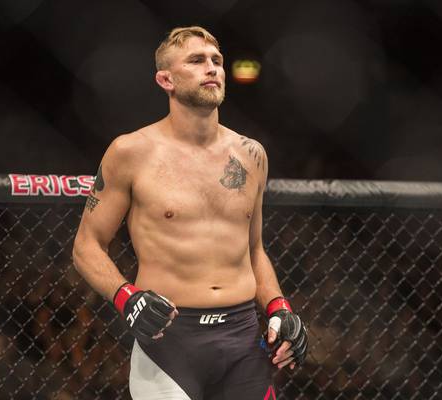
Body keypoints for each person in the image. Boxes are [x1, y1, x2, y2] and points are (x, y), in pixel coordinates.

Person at [72, 26, 308, 400]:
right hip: (169, 340)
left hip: (243, 340)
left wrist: (279, 307)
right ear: (166, 79)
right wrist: (127, 297)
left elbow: (254, 249)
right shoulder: (131, 152)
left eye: (217, 60)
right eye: (196, 60)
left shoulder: (251, 154)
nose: (211, 68)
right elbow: (87, 245)